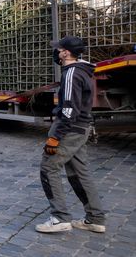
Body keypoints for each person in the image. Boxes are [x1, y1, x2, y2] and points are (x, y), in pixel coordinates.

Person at [35, 36, 106, 233]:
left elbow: (68, 109)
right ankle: (95, 218)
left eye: (59, 49)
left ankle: (60, 218)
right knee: (79, 173)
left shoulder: (72, 73)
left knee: (48, 167)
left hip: (70, 129)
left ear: (66, 53)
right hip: (80, 128)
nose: (57, 52)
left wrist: (55, 136)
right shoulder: (82, 71)